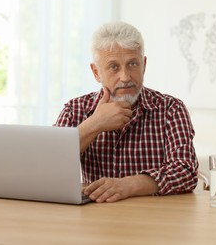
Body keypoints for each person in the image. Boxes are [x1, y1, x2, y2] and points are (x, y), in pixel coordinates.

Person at [55, 21, 198, 203]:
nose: (125, 77)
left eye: (132, 64)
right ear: (96, 72)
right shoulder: (74, 110)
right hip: (94, 221)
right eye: (114, 67)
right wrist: (95, 124)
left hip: (155, 219)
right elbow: (50, 168)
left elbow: (186, 171)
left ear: (144, 65)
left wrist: (129, 185)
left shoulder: (171, 109)